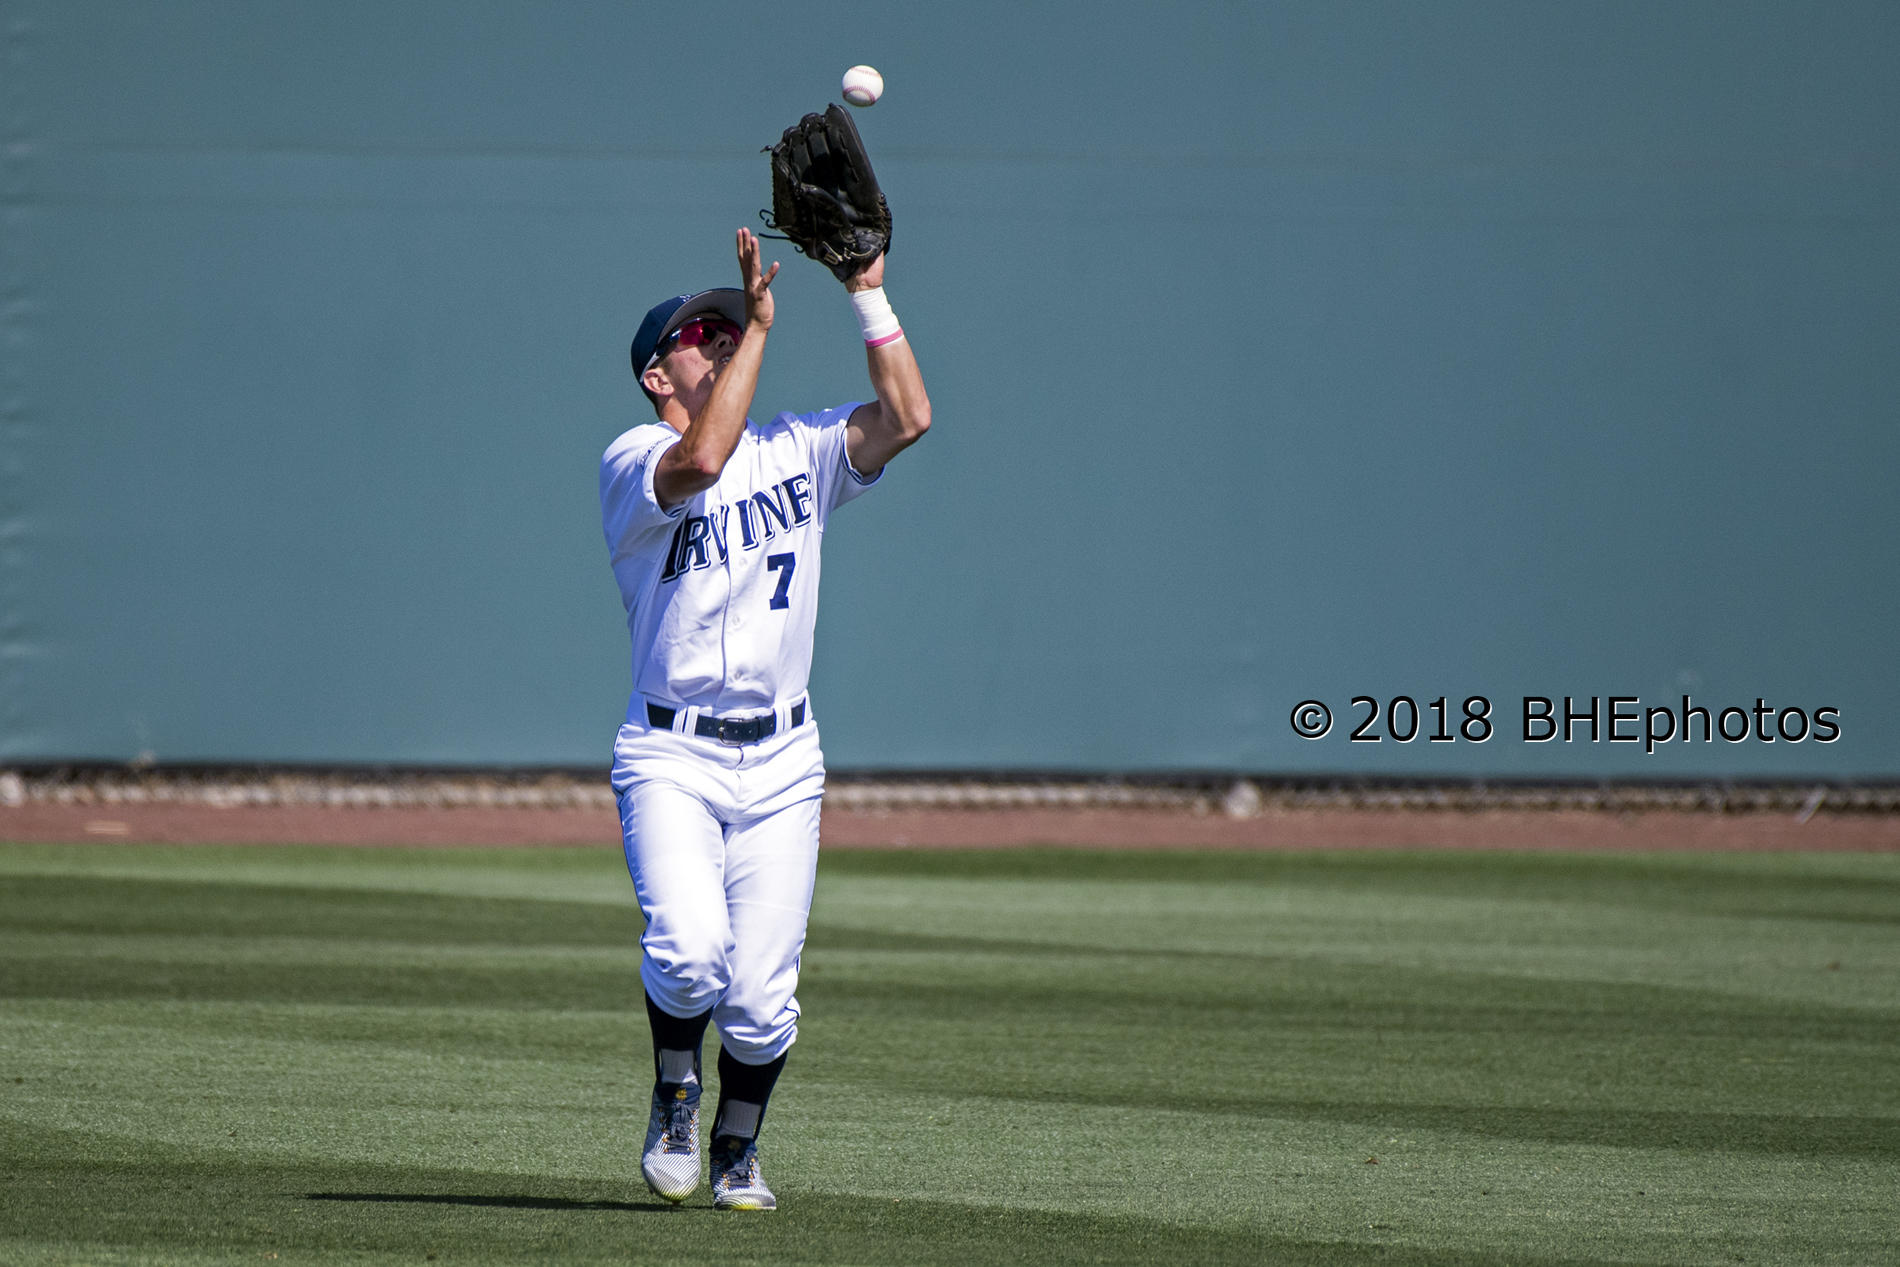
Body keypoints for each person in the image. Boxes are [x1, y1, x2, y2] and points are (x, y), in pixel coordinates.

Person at [599, 228, 929, 1210]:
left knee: (758, 1001)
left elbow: (908, 416)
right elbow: (703, 459)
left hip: (784, 759)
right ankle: (674, 1091)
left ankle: (736, 1145)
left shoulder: (800, 448)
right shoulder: (633, 460)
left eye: (728, 327)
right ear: (657, 376)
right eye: (702, 334)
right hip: (670, 754)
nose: (722, 336)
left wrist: (867, 293)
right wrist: (764, 329)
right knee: (689, 951)